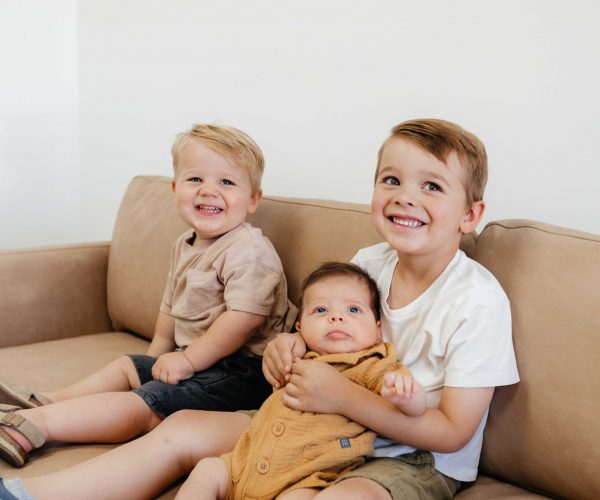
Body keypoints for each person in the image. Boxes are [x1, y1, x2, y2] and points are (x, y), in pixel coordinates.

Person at [0, 118, 519, 500]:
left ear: (470, 214)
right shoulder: (368, 262)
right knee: (179, 429)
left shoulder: (477, 300)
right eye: (392, 180)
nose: (406, 196)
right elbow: (311, 328)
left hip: (409, 457)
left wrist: (340, 393)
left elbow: (452, 431)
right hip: (311, 420)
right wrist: (287, 347)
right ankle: (29, 495)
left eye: (431, 185)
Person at [0, 123, 296, 469]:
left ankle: (36, 429)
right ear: (175, 189)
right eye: (195, 179)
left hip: (246, 371)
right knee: (130, 366)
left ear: (252, 200)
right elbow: (170, 304)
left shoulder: (250, 251)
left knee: (149, 398)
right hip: (201, 360)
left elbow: (244, 321)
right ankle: (45, 403)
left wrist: (186, 362)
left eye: (226, 182)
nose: (208, 191)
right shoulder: (184, 243)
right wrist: (156, 354)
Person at [176, 261, 426, 499]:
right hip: (242, 466)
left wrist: (408, 396)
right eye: (321, 310)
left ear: (377, 329)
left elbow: (413, 409)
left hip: (306, 480)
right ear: (300, 327)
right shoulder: (297, 356)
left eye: (353, 310)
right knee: (207, 470)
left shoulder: (371, 364)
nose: (336, 317)